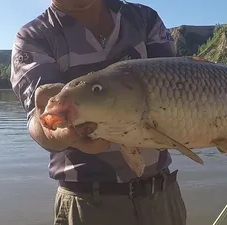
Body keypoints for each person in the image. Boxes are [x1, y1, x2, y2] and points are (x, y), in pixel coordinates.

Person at [10, 0, 187, 224]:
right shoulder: (34, 36)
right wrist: (62, 134)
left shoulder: (144, 18)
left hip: (161, 196)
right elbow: (38, 120)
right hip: (87, 204)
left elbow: (181, 92)